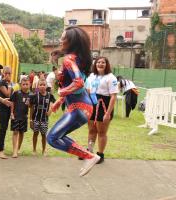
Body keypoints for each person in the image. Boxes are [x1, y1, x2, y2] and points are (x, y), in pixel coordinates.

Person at [47, 26, 100, 177]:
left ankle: (90, 156)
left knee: (52, 138)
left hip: (78, 108)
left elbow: (78, 83)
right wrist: (59, 101)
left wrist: (61, 91)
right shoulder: (76, 59)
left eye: (63, 38)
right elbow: (76, 84)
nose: (60, 40)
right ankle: (89, 155)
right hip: (83, 107)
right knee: (58, 136)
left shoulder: (69, 60)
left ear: (71, 41)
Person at [86, 57, 118, 164]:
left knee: (102, 132)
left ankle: (100, 155)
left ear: (107, 64)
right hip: (92, 105)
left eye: (103, 62)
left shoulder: (111, 77)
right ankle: (89, 152)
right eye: (98, 62)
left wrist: (108, 113)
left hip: (104, 106)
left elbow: (113, 97)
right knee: (91, 130)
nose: (100, 64)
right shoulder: (91, 76)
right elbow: (87, 90)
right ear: (95, 64)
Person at [30, 79, 55, 156]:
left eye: (44, 84)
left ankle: (44, 150)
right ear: (38, 86)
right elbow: (31, 108)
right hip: (36, 119)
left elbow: (53, 103)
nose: (42, 86)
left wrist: (50, 109)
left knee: (44, 135)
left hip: (44, 120)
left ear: (46, 86)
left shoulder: (49, 95)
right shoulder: (34, 96)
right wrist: (31, 120)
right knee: (35, 133)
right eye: (40, 85)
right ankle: (34, 150)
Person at [10, 77, 30, 158]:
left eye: (27, 84)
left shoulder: (30, 95)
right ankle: (14, 151)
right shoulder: (16, 93)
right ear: (20, 85)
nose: (25, 86)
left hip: (24, 117)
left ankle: (18, 148)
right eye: (23, 84)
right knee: (15, 132)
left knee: (22, 133)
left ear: (30, 85)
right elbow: (12, 103)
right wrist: (11, 113)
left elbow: (31, 106)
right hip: (16, 116)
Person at [0, 66, 13, 159]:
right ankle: (0, 150)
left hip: (8, 108)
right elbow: (7, 94)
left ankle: (1, 148)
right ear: (3, 74)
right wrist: (10, 85)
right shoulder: (2, 83)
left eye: (9, 73)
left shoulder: (8, 83)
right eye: (6, 73)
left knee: (5, 128)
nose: (8, 75)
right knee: (3, 129)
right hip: (2, 108)